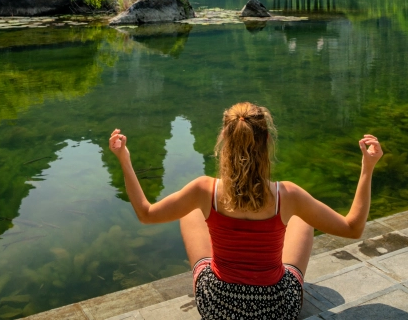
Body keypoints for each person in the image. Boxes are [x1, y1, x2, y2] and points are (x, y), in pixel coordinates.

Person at [108, 101, 383, 320]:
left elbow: (146, 213)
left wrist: (124, 160)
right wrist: (367, 169)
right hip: (276, 311)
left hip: (218, 309)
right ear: (266, 144)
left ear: (224, 143)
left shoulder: (205, 190)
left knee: (191, 210)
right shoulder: (287, 195)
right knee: (301, 219)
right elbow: (353, 228)